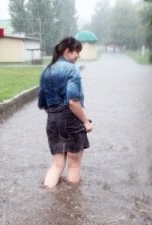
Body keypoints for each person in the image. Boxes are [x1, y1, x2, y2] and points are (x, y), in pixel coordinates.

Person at [38, 37, 93, 188]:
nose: (78, 55)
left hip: (52, 120)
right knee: (74, 164)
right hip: (71, 120)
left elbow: (42, 104)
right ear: (67, 51)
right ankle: (71, 203)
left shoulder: (46, 71)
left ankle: (47, 194)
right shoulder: (72, 69)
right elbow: (73, 102)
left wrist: (56, 118)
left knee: (56, 165)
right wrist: (86, 122)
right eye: (77, 52)